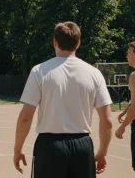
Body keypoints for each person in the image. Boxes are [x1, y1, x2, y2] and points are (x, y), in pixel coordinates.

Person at [13, 21, 113, 178]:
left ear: (55, 42)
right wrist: (102, 152)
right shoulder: (94, 73)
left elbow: (26, 117)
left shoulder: (39, 71)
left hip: (49, 147)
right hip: (82, 146)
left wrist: (17, 149)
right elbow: (107, 120)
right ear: (78, 43)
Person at [115, 41, 135, 171]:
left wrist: (122, 127)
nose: (127, 56)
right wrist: (125, 111)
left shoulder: (134, 76)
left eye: (129, 53)